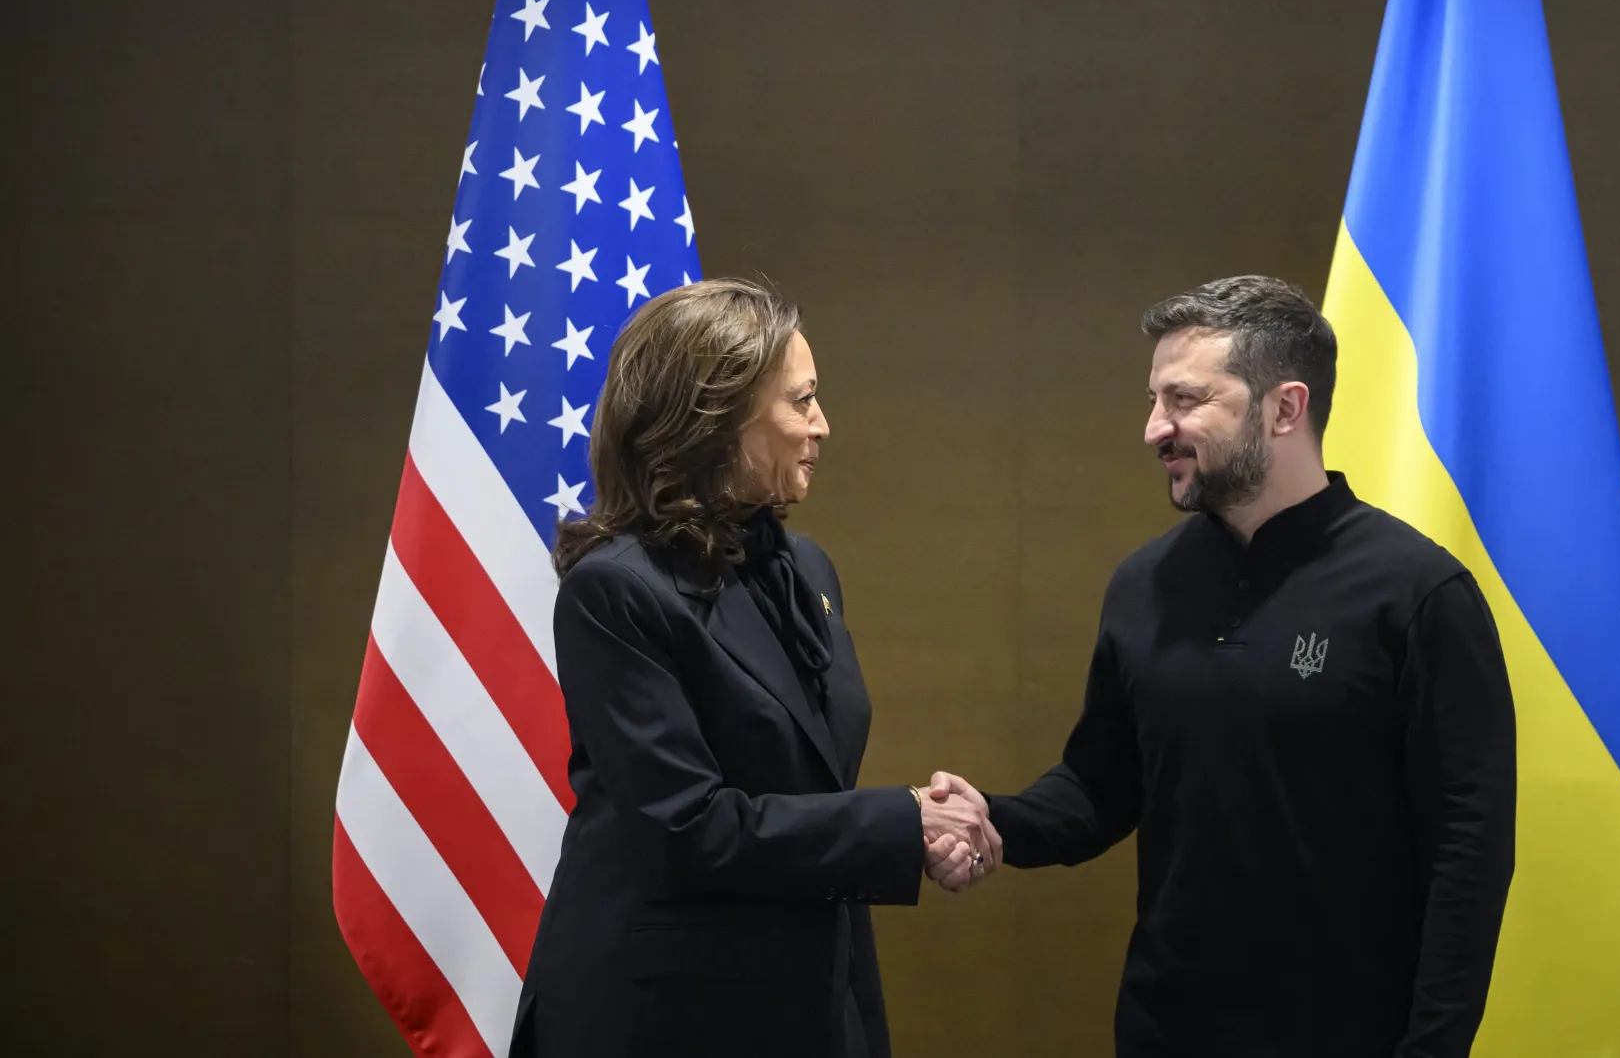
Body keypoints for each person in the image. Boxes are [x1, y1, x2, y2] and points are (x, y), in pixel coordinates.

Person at [932, 275, 1517, 1058]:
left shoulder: (1417, 595)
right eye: (1153, 399)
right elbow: (1100, 788)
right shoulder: (1143, 585)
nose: (1153, 429)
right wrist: (988, 819)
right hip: (1166, 1030)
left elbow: (1469, 853)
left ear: (1284, 408)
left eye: (1183, 400)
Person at [510, 278, 999, 1058]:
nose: (823, 426)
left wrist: (918, 830)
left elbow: (808, 784)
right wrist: (900, 821)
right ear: (718, 419)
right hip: (663, 1015)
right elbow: (689, 829)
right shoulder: (617, 590)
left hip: (810, 993)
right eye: (801, 402)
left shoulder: (808, 570)